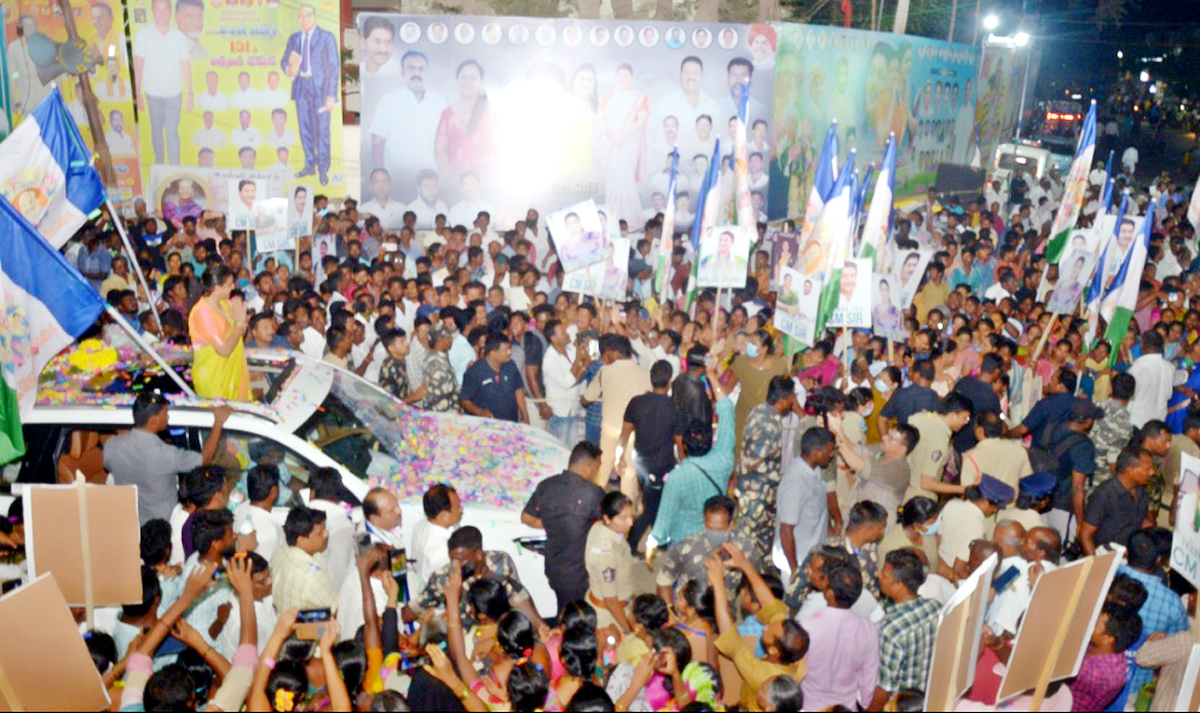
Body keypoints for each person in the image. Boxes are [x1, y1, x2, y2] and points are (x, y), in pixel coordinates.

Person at [104, 392, 230, 524]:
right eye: (165, 413)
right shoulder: (166, 455)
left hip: (129, 524)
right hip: (162, 527)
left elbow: (109, 464)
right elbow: (205, 459)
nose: (168, 416)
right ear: (154, 419)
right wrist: (218, 422)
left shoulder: (113, 446)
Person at [652, 363, 736, 546]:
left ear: (685, 445)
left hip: (684, 541)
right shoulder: (724, 458)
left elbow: (664, 518)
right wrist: (712, 376)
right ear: (711, 439)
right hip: (715, 536)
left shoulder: (677, 477)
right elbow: (727, 410)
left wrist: (654, 541)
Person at [521, 441, 605, 611]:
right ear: (590, 466)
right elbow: (607, 526)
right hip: (579, 573)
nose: (597, 472)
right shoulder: (593, 494)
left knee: (564, 608)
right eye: (597, 467)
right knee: (576, 615)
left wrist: (554, 524)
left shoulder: (547, 485)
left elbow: (526, 517)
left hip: (554, 567)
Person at [619, 360, 683, 550]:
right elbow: (679, 444)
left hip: (640, 463)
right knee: (653, 503)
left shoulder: (636, 403)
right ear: (670, 381)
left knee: (653, 500)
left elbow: (624, 434)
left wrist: (620, 457)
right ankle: (632, 542)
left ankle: (660, 539)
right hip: (663, 465)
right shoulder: (674, 409)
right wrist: (684, 463)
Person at [734, 375, 798, 565]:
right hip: (756, 495)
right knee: (747, 544)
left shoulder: (760, 410)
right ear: (783, 400)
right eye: (792, 397)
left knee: (761, 544)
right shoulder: (768, 423)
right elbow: (756, 460)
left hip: (760, 493)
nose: (794, 401)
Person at [581, 334, 651, 492]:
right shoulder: (645, 373)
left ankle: (594, 499)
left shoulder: (605, 371)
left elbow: (587, 398)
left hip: (610, 429)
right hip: (633, 431)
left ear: (614, 353)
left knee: (603, 466)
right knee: (629, 472)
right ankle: (628, 506)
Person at [280, 3, 338, 184]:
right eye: (300, 17)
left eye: (306, 16)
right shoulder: (294, 38)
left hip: (320, 90)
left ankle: (323, 168)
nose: (303, 20)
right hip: (301, 87)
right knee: (305, 129)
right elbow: (284, 61)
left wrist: (331, 96)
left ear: (314, 17)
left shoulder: (326, 38)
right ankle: (309, 165)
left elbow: (334, 68)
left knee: (321, 130)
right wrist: (288, 69)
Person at [132, 0, 191, 164]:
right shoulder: (143, 35)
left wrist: (190, 93)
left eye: (166, 10)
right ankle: (160, 164)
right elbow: (138, 64)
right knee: (156, 131)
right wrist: (137, 93)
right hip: (152, 94)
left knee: (172, 132)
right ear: (153, 11)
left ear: (171, 11)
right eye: (159, 10)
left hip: (174, 94)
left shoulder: (179, 37)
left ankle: (174, 168)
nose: (163, 14)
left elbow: (185, 65)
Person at [777, 427, 837, 575]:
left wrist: (829, 532)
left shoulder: (814, 468)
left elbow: (819, 505)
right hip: (798, 561)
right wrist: (794, 569)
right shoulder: (796, 483)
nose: (831, 455)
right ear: (816, 453)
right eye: (829, 451)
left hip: (814, 555)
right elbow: (786, 529)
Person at [188, 266, 250, 399]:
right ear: (216, 287)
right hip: (214, 379)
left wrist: (242, 321)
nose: (233, 287)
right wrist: (239, 324)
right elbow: (225, 350)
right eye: (229, 284)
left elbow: (239, 336)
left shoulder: (226, 304)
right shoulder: (202, 312)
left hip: (233, 373)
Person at [937, 475, 1014, 581]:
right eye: (996, 507)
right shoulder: (976, 527)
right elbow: (959, 570)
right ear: (985, 502)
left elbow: (938, 539)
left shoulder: (952, 504)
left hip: (939, 568)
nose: (995, 511)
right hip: (952, 578)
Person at [598, 64, 648, 227]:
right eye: (620, 76)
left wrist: (623, 136)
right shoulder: (608, 95)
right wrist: (612, 136)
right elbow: (601, 118)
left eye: (626, 76)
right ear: (615, 78)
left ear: (632, 79)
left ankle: (630, 221)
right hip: (610, 143)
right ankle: (611, 221)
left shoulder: (639, 97)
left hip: (629, 143)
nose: (623, 79)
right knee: (612, 180)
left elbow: (641, 120)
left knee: (624, 180)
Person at [1081, 448, 1156, 554]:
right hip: (1105, 557)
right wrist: (1096, 566)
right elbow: (1085, 535)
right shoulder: (1104, 494)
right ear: (1130, 470)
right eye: (1147, 469)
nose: (1152, 472)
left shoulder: (1141, 491)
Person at [584, 492, 637, 631]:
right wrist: (628, 629)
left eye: (631, 516)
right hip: (610, 617)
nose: (630, 523)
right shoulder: (606, 555)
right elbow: (611, 601)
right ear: (607, 518)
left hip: (618, 603)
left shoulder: (600, 526)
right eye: (623, 518)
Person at [270, 505, 339, 612]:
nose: (326, 534)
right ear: (301, 539)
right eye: (320, 533)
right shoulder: (312, 576)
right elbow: (336, 610)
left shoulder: (281, 551)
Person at [460, 332, 528, 423]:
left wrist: (525, 416)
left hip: (510, 423)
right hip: (486, 426)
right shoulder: (475, 372)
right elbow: (464, 400)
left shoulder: (511, 366)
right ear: (492, 352)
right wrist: (480, 412)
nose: (510, 352)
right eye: (506, 350)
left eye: (510, 349)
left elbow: (518, 390)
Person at [1127, 331, 1179, 428]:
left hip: (1137, 425)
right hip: (1157, 426)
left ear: (1142, 345)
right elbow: (1180, 378)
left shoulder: (1136, 370)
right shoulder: (1169, 368)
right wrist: (1187, 371)